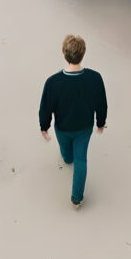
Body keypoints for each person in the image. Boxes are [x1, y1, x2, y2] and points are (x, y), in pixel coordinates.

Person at [39, 34, 107, 207]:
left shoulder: (53, 82)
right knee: (81, 160)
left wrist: (44, 127)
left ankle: (67, 158)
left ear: (64, 53)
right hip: (84, 127)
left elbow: (46, 107)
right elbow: (102, 103)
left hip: (62, 127)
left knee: (66, 153)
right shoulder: (95, 78)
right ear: (83, 53)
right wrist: (100, 122)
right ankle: (76, 199)